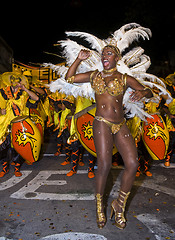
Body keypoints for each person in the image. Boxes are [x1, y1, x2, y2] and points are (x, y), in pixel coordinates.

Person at [64, 46, 153, 229]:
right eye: (103, 53)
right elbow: (69, 78)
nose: (105, 55)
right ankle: (99, 207)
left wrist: (142, 93)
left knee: (133, 164)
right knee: (104, 164)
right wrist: (79, 59)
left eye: (109, 53)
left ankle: (118, 205)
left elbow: (148, 92)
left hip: (120, 124)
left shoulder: (124, 78)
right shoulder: (94, 75)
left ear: (117, 58)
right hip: (101, 122)